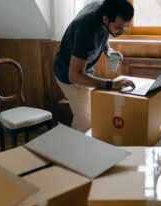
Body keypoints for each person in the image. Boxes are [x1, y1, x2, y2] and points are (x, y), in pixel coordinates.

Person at [54, 0, 135, 132]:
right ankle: (76, 150)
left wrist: (108, 50)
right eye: (119, 28)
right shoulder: (86, 32)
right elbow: (74, 75)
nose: (122, 32)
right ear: (105, 19)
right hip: (68, 75)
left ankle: (78, 144)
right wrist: (110, 83)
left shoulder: (103, 9)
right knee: (86, 122)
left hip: (83, 71)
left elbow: (104, 33)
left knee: (87, 116)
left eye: (125, 28)